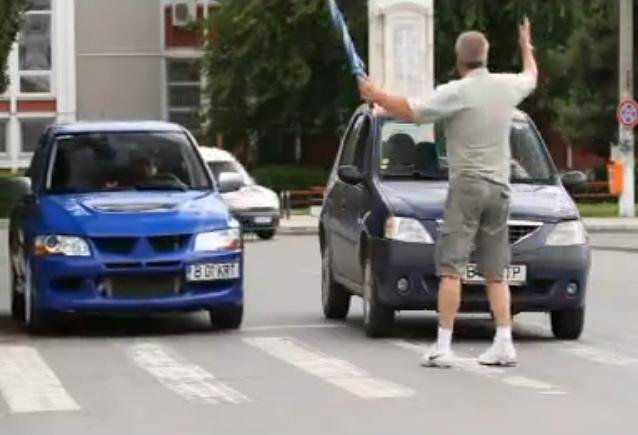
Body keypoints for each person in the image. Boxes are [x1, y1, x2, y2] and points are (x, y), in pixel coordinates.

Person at [358, 19, 538, 367]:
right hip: (501, 188)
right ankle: (504, 341)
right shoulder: (507, 86)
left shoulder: (456, 92)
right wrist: (526, 46)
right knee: (496, 270)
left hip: (467, 186)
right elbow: (531, 74)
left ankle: (443, 345)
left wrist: (375, 94)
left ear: (459, 60)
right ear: (485, 56)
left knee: (451, 267)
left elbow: (411, 110)